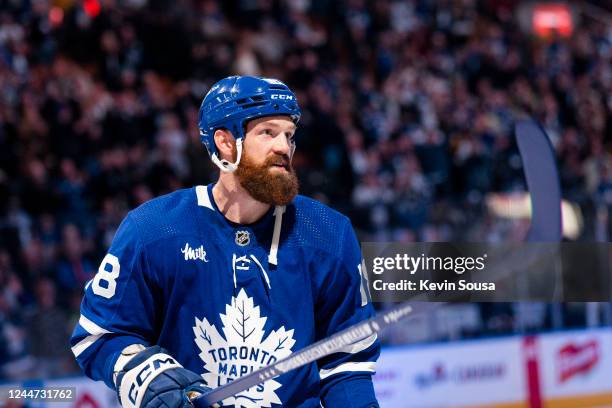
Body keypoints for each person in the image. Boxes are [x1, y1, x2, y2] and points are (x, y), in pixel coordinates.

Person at [70, 76, 380, 408]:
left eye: (289, 135)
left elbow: (347, 366)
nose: (283, 147)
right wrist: (144, 373)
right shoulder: (153, 229)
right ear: (225, 142)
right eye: (267, 133)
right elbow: (97, 336)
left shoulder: (329, 235)